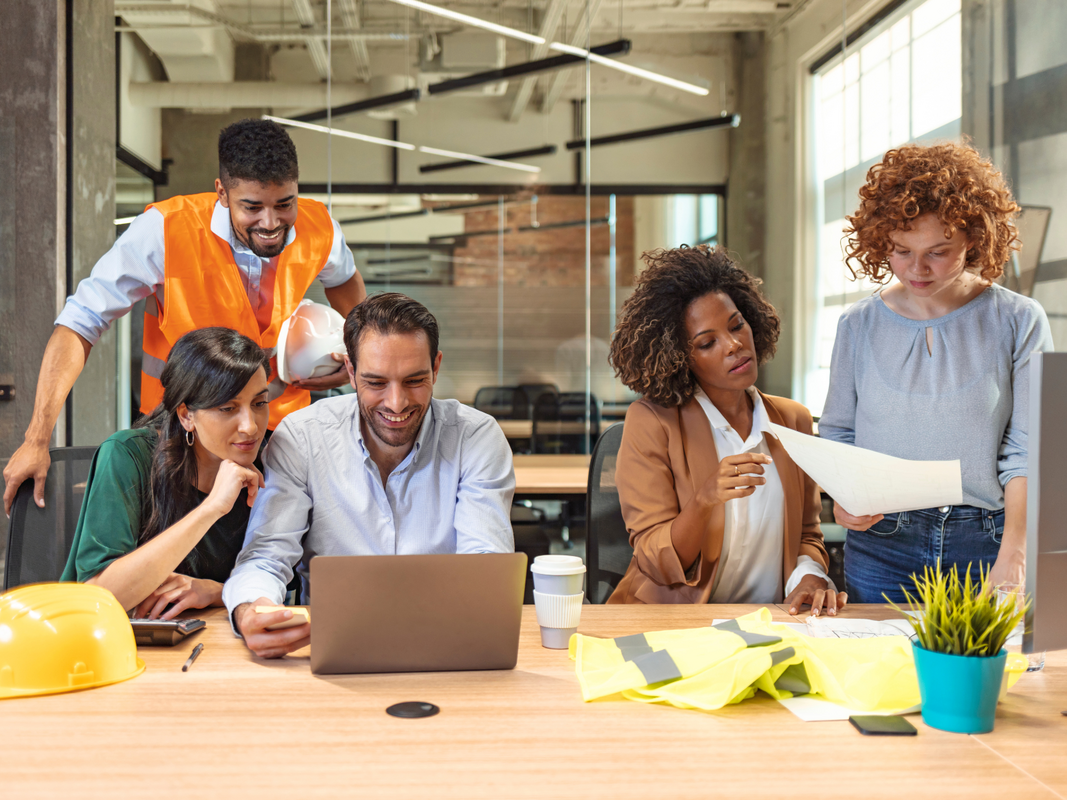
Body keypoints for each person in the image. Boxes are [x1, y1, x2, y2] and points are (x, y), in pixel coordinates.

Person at [3, 118, 367, 516]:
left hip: (280, 435)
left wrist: (357, 356)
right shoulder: (164, 230)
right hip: (181, 438)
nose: (270, 222)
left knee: (279, 562)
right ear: (222, 194)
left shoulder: (319, 227)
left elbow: (346, 281)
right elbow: (80, 322)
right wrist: (37, 437)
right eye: (252, 206)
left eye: (284, 204)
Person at [819, 142, 1054, 603]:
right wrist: (843, 499)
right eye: (901, 251)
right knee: (880, 672)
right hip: (883, 541)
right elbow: (839, 433)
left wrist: (1017, 551)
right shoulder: (856, 324)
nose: (917, 269)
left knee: (987, 675)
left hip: (989, 542)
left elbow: (1032, 450)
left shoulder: (1021, 320)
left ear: (975, 238)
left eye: (938, 251)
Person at [222, 293, 516, 658]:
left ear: (436, 367)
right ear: (350, 370)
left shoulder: (475, 438)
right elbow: (266, 556)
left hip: (448, 646)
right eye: (376, 382)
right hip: (331, 647)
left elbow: (485, 569)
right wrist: (252, 608)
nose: (396, 403)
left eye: (415, 380)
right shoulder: (302, 437)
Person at [605, 245, 844, 614]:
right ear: (680, 357)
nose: (734, 345)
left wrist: (809, 576)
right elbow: (654, 559)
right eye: (707, 342)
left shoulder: (793, 421)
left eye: (736, 325)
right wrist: (704, 501)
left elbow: (807, 535)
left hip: (771, 623)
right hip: (673, 621)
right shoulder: (652, 421)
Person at [61, 328, 270, 618]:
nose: (250, 426)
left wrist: (216, 592)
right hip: (106, 643)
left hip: (213, 644)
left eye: (260, 403)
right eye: (227, 407)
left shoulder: (272, 462)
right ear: (186, 415)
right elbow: (99, 596)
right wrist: (212, 508)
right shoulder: (127, 455)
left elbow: (286, 584)